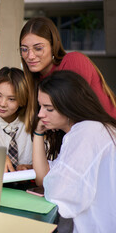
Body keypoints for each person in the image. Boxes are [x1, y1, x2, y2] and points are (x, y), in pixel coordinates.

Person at [32, 70, 116, 233]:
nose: (40, 114)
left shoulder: (86, 132)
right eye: (40, 106)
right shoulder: (93, 129)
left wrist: (50, 185)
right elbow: (43, 178)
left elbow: (59, 192)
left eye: (48, 108)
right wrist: (38, 133)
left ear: (69, 106)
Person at [19, 16, 116, 133]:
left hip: (107, 136)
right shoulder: (34, 81)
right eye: (24, 49)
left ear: (53, 45)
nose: (30, 56)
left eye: (38, 48)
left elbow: (74, 114)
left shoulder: (73, 61)